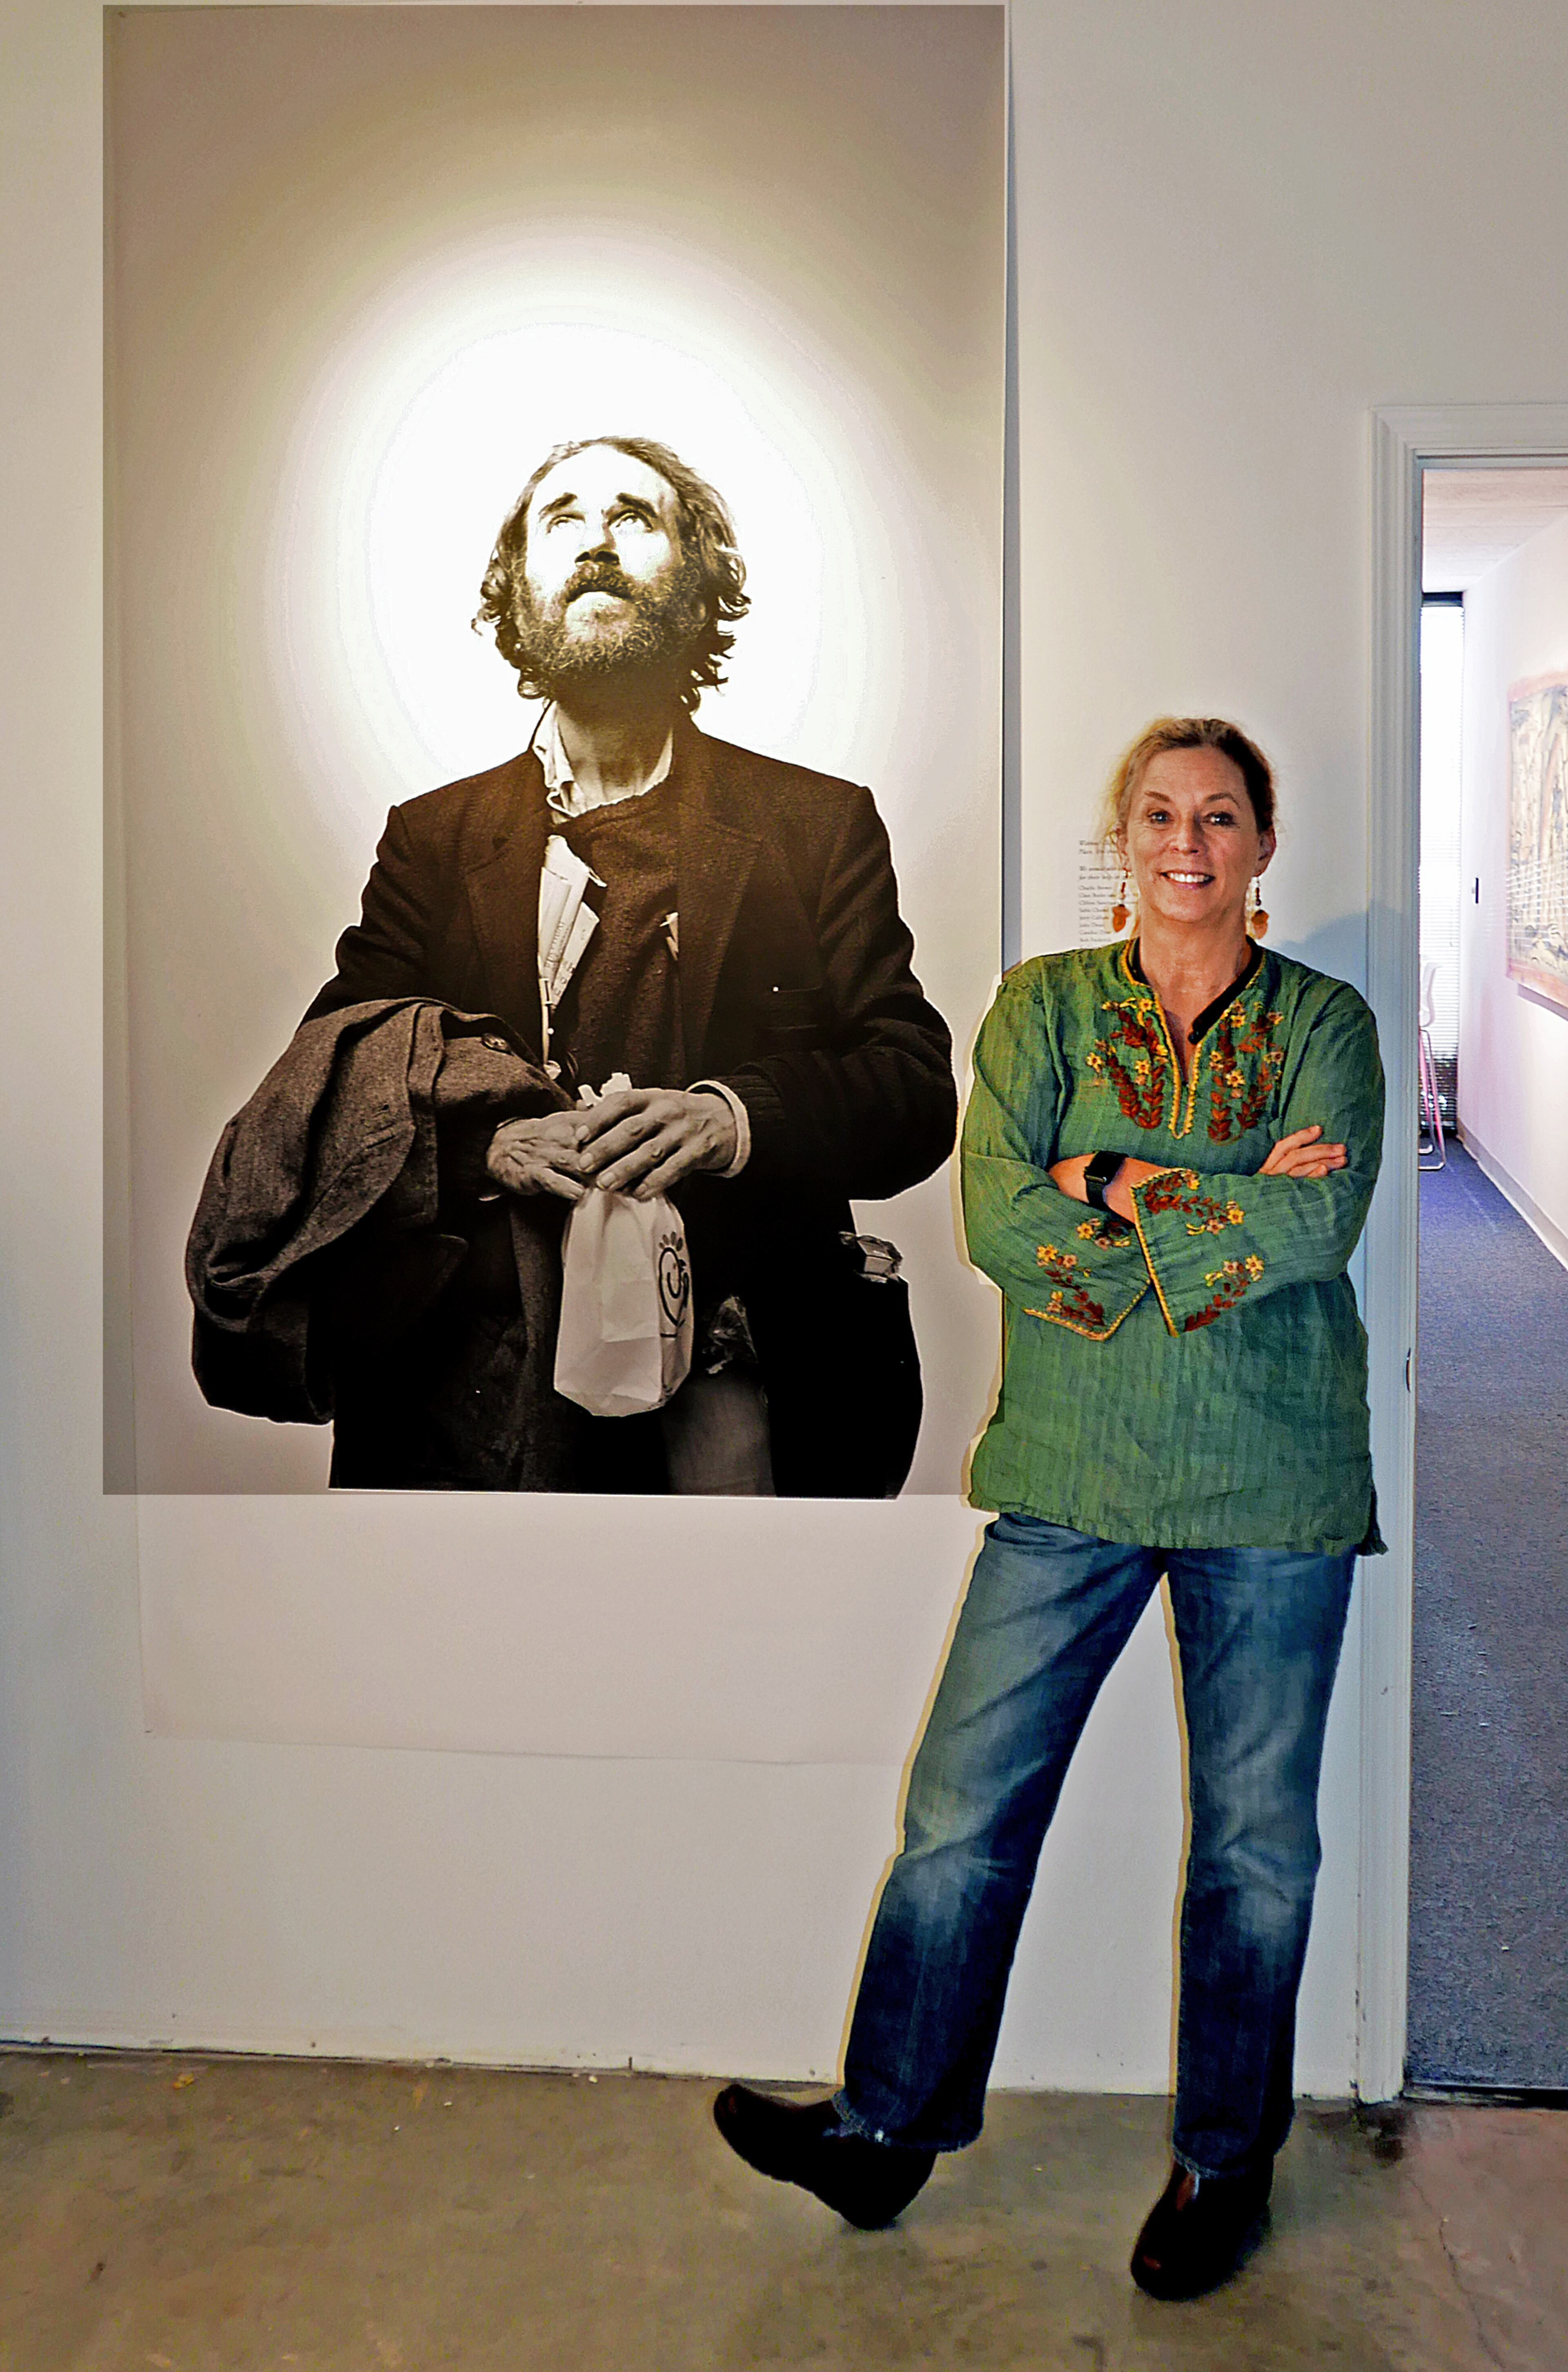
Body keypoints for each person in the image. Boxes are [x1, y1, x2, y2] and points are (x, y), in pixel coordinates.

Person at [714, 716, 1386, 2301]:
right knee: (959, 1822)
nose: (1190, 843)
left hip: (1274, 1484)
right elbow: (996, 1213)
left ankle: (1227, 2165)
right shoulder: (1043, 1008)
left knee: (1257, 1856)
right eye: (1162, 813)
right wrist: (1163, 1190)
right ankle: (884, 2135)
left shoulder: (1330, 1025)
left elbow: (1322, 1219)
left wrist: (1111, 1174)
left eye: (1223, 817)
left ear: (1262, 847)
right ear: (1126, 834)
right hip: (1070, 1474)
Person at [189, 435, 956, 1495]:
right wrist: (489, 1149)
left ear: (697, 585)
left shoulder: (817, 825)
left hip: (736, 1394)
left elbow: (913, 1094)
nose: (597, 539)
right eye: (563, 520)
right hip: (470, 1401)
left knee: (726, 1659)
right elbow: (337, 1095)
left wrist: (733, 1118)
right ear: (518, 588)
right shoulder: (433, 840)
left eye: (636, 518)